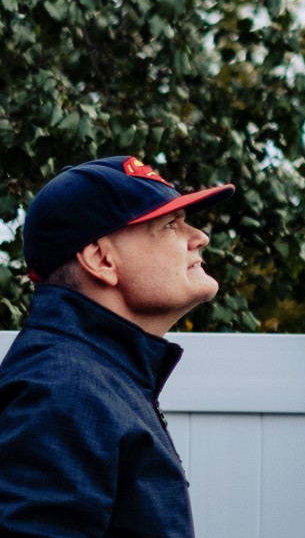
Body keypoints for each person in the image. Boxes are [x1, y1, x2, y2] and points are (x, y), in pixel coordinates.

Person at [0, 155, 234, 538]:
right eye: (170, 225)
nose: (199, 237)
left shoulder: (96, 378)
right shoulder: (62, 391)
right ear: (101, 259)